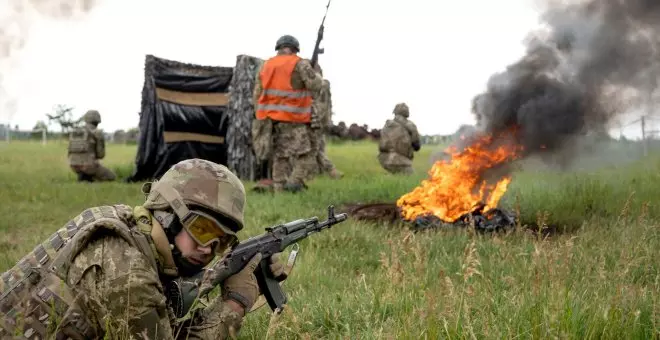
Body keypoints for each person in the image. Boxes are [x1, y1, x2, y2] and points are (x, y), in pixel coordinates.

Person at [0, 158, 287, 339]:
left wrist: (225, 271)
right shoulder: (126, 270)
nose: (210, 249)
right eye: (202, 230)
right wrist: (235, 302)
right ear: (167, 214)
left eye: (222, 242)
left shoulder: (127, 223)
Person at [252, 34, 324, 192]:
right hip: (294, 118)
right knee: (308, 151)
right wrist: (316, 72)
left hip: (270, 120)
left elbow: (257, 93)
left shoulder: (266, 65)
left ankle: (279, 188)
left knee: (280, 155)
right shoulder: (299, 64)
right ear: (295, 49)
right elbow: (316, 85)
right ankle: (294, 182)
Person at [308, 64, 343, 180]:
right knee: (319, 147)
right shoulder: (325, 86)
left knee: (315, 148)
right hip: (322, 120)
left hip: (314, 120)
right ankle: (321, 171)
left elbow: (319, 105)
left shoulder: (319, 86)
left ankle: (331, 170)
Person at [67, 109, 117, 182]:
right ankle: (88, 177)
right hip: (89, 166)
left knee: (88, 171)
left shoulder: (75, 132)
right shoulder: (97, 133)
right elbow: (101, 155)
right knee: (112, 177)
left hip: (73, 165)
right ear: (98, 121)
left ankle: (85, 178)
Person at [377, 102, 421, 174]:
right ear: (407, 113)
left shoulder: (387, 125)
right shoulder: (410, 125)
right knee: (411, 177)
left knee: (395, 174)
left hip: (383, 159)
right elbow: (417, 146)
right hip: (401, 161)